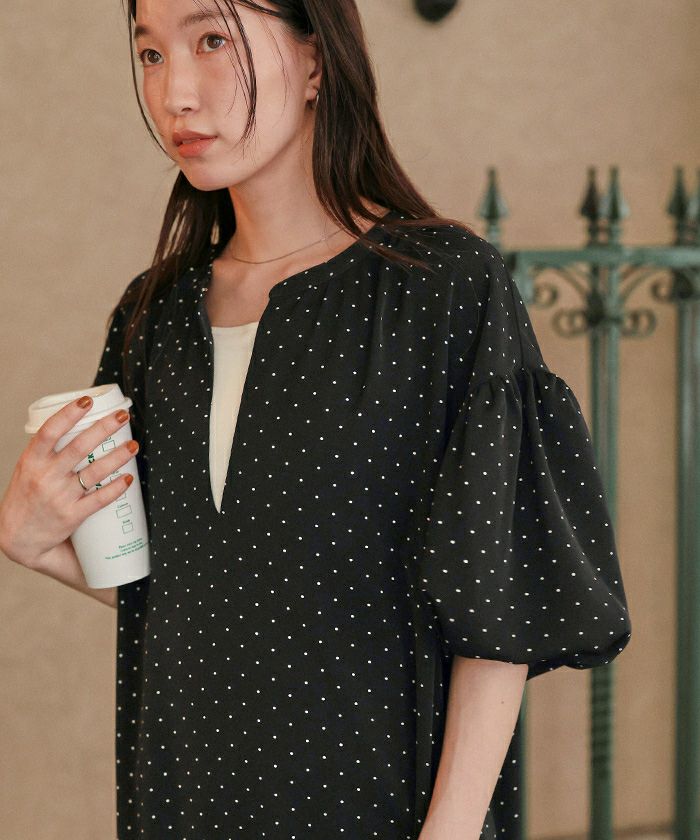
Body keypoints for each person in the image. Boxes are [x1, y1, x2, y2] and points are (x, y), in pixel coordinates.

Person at [0, 1, 632, 837]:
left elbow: (495, 606)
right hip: (188, 799)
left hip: (382, 805)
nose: (175, 92)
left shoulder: (441, 289)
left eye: (212, 40)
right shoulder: (152, 319)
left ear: (315, 62)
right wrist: (35, 542)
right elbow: (196, 593)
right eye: (150, 54)